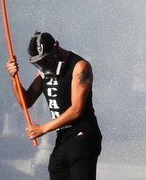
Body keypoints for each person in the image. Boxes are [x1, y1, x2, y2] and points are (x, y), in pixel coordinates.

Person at [7, 31, 102, 180]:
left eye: (47, 59)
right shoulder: (44, 71)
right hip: (63, 138)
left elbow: (76, 110)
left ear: (55, 46)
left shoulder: (79, 67)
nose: (44, 65)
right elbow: (27, 101)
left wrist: (43, 128)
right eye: (40, 62)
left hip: (83, 136)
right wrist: (14, 78)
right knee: (55, 168)